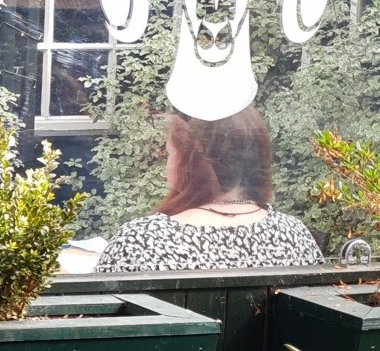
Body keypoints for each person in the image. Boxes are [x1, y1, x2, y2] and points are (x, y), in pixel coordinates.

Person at [94, 107, 323, 273]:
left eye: (169, 154)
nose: (167, 165)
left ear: (189, 161)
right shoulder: (294, 236)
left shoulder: (141, 240)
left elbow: (96, 325)